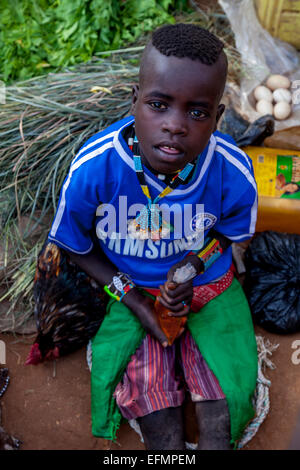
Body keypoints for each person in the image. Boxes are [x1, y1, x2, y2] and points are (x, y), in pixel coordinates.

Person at [46, 23, 258, 450]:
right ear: (134, 101)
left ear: (217, 118)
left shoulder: (230, 171)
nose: (176, 126)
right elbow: (74, 244)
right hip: (131, 286)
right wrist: (134, 299)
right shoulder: (95, 168)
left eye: (197, 112)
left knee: (226, 403)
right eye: (159, 104)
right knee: (155, 412)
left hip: (207, 286)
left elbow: (229, 234)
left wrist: (194, 264)